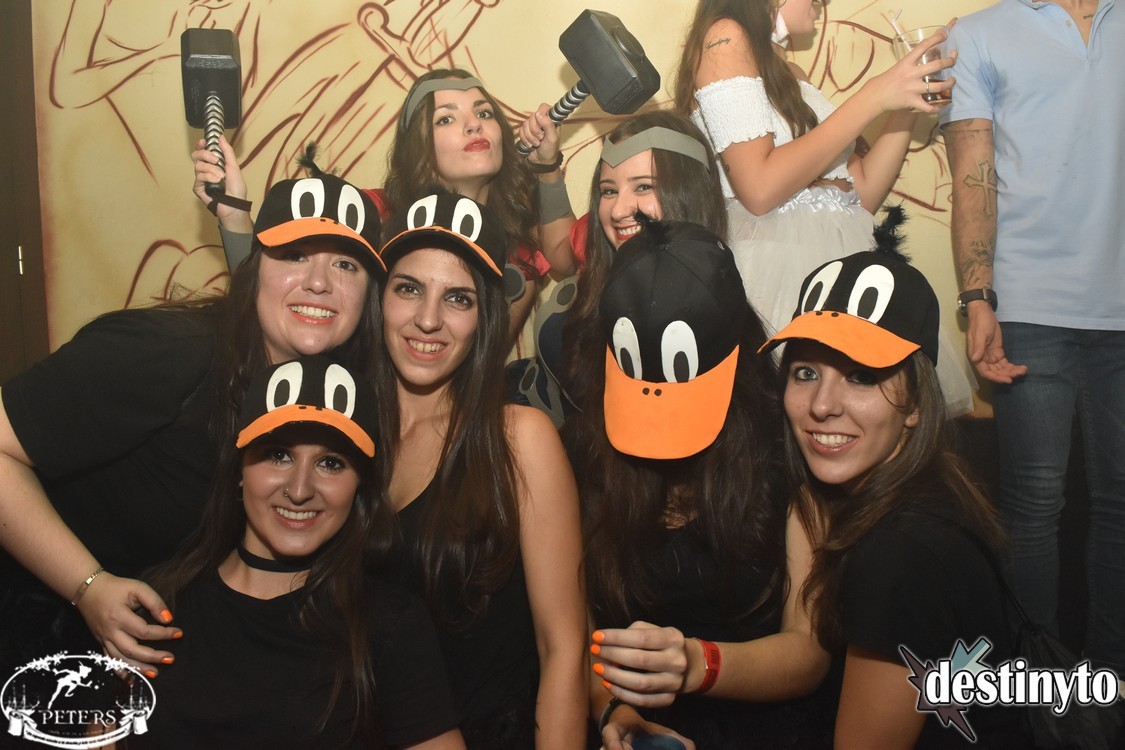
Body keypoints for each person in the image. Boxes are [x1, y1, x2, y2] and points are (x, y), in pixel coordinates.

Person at [0, 169, 385, 678]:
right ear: (256, 270)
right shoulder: (166, 354)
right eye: (294, 255)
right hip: (39, 629)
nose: (319, 282)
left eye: (346, 264)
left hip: (161, 656)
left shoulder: (341, 399)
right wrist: (87, 585)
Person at [565, 216, 831, 749]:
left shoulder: (787, 448)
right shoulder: (585, 451)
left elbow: (810, 650)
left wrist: (697, 663)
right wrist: (614, 709)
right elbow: (578, 636)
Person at [762, 247, 1025, 747]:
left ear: (916, 403)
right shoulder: (922, 494)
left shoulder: (901, 555)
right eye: (806, 372)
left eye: (861, 376)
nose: (821, 405)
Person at [135, 355, 463, 749]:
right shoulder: (158, 605)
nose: (300, 489)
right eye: (278, 455)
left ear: (359, 486)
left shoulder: (388, 625)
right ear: (239, 470)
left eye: (330, 463)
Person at [673, 0, 975, 416]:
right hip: (778, 269)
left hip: (841, 261)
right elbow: (758, 189)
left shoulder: (790, 72)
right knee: (788, 418)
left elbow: (860, 194)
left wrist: (905, 104)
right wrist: (874, 95)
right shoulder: (726, 37)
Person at [940, 0, 1125, 676]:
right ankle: (1039, 689)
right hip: (1028, 304)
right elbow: (973, 178)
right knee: (1033, 503)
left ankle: (1110, 685)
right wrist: (977, 297)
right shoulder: (978, 35)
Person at [375, 191, 588, 748]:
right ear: (379, 298)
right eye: (408, 288)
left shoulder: (519, 440)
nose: (428, 319)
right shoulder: (341, 436)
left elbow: (563, 648)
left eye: (458, 298)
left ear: (485, 317)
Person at [195, 68, 571, 346]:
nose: (474, 126)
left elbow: (478, 371)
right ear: (419, 147)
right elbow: (273, 303)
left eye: (484, 113)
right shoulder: (369, 215)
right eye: (446, 118)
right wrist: (234, 217)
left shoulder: (519, 260)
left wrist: (548, 169)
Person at [510, 109, 727, 424]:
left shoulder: (720, 304)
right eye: (609, 191)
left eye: (643, 187)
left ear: (689, 192)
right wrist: (547, 167)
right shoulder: (607, 247)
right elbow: (560, 251)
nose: (617, 210)